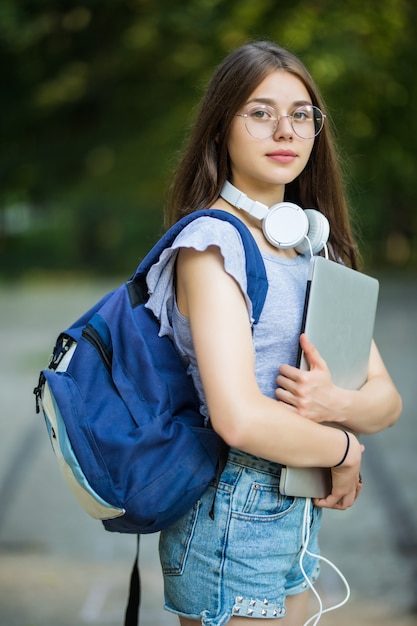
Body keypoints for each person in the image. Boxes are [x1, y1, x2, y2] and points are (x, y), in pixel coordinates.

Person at [145, 41, 402, 626]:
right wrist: (342, 446)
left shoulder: (318, 247)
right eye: (260, 113)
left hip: (296, 507)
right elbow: (237, 418)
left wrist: (336, 403)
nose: (285, 129)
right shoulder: (212, 245)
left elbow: (386, 401)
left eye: (301, 114)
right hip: (232, 509)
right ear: (220, 131)